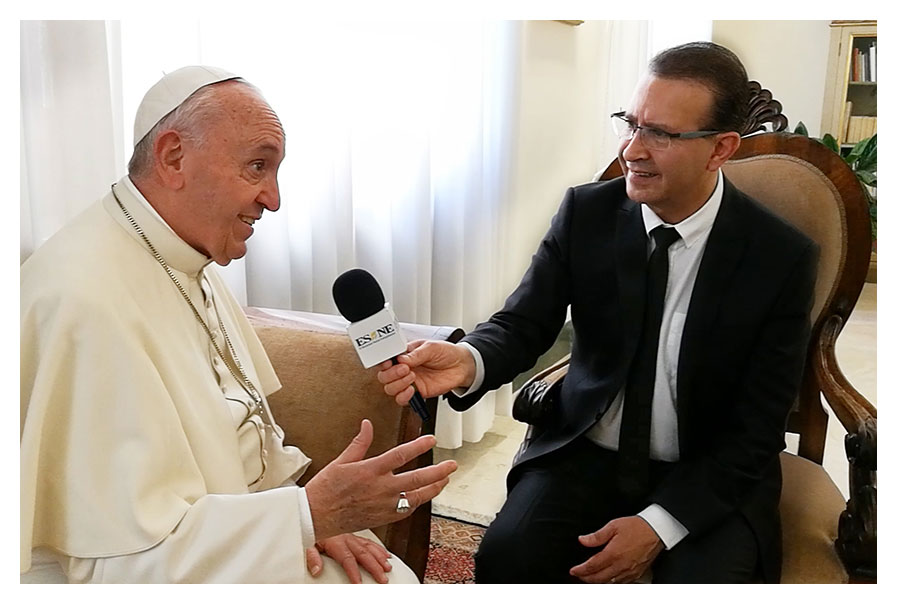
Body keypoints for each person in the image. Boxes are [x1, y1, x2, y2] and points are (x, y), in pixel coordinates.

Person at [377, 42, 819, 583]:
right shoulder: (586, 213)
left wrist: (658, 525)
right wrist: (469, 360)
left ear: (720, 148)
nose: (633, 149)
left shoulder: (781, 257)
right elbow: (523, 322)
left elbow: (756, 427)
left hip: (707, 471)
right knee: (506, 559)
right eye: (630, 124)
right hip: (585, 451)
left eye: (660, 133)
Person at [20, 66, 457, 584]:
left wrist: (304, 505)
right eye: (257, 167)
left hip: (238, 531)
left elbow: (245, 432)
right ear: (174, 157)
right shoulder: (80, 302)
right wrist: (304, 516)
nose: (273, 199)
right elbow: (114, 564)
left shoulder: (180, 255)